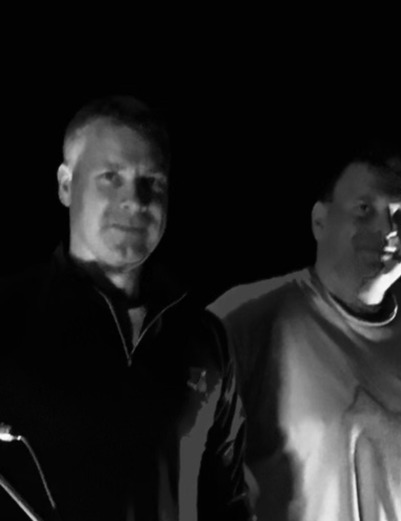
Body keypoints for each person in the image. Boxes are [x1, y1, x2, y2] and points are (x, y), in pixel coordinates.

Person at [208, 141, 401, 521]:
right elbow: (181, 450)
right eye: (365, 209)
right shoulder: (247, 320)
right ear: (320, 220)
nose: (387, 230)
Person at [0, 96, 253, 520]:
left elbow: (227, 502)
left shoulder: (204, 338)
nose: (135, 200)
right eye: (110, 177)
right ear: (66, 185)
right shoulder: (9, 316)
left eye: (151, 181)